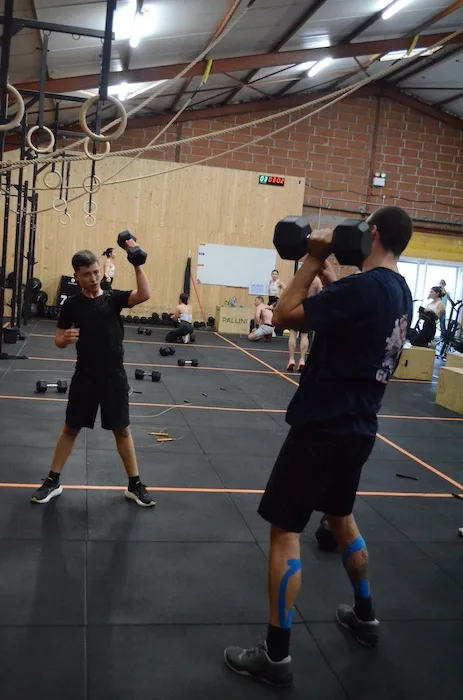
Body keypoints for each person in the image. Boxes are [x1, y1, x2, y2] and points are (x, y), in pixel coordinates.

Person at [223, 205, 413, 688]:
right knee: (341, 517)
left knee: (285, 531)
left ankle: (276, 655)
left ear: (372, 234)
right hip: (359, 428)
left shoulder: (362, 288)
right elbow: (347, 312)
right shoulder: (399, 291)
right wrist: (329, 270)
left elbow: (285, 315)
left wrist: (310, 259)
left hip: (321, 425)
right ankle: (365, 616)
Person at [31, 244, 155, 508]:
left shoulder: (113, 299)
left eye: (96, 272)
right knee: (70, 428)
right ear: (77, 276)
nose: (93, 278)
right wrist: (64, 339)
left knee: (122, 430)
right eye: (87, 274)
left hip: (114, 377)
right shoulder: (72, 305)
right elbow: (58, 338)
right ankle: (53, 480)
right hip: (85, 376)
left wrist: (137, 264)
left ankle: (135, 485)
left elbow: (144, 294)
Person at [287, 275, 322, 372]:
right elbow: (320, 295)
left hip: (297, 307)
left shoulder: (298, 277)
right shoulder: (316, 280)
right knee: (304, 335)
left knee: (293, 333)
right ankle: (302, 360)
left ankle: (291, 359)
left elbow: (290, 292)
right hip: (308, 309)